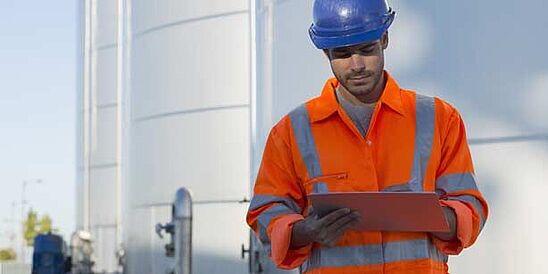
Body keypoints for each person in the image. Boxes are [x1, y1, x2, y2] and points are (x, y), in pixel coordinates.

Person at [246, 0, 488, 273]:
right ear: (326, 53)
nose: (357, 65)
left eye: (366, 49)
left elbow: (471, 208)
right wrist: (305, 231)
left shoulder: (440, 119)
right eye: (343, 54)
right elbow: (264, 215)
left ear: (384, 39)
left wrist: (434, 217)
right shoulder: (292, 131)